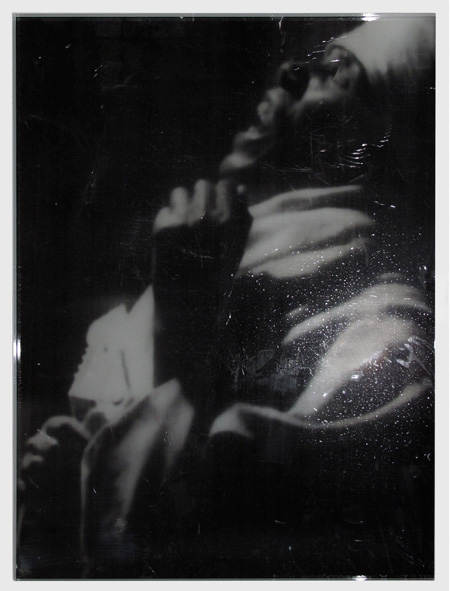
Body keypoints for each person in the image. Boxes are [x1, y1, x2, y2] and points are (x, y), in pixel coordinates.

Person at [18, 15, 435, 578]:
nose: (291, 72)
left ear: (378, 139)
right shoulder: (209, 265)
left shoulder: (385, 328)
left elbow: (242, 537)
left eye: (337, 72)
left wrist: (182, 327)